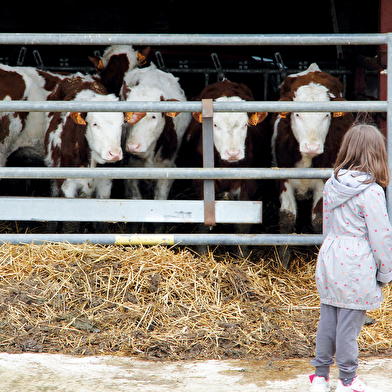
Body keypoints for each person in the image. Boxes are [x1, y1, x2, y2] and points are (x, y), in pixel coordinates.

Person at [309, 123, 392, 392]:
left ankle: (320, 377)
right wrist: (385, 271)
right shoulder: (372, 191)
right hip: (356, 261)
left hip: (330, 255)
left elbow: (327, 225)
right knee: (348, 326)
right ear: (377, 154)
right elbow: (380, 236)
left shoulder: (331, 185)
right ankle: (347, 379)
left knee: (328, 319)